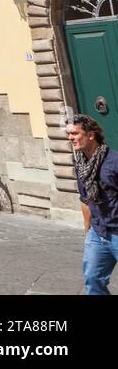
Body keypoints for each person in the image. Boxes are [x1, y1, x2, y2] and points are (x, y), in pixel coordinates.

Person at [68, 115, 118, 294]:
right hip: (98, 233)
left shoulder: (114, 162)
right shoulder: (81, 165)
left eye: (75, 133)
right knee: (92, 279)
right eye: (69, 134)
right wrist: (88, 230)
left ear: (91, 135)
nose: (71, 137)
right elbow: (85, 199)